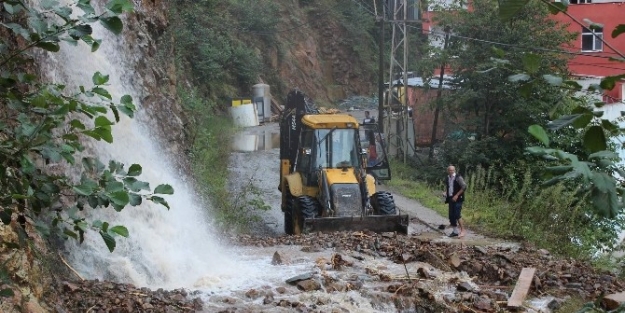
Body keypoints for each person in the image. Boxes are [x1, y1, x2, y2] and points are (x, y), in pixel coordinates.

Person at [443, 165, 467, 238]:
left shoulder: (458, 177)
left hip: (458, 199)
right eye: (450, 170)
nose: (451, 171)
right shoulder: (448, 178)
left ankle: (463, 231)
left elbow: (464, 186)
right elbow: (449, 186)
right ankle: (455, 231)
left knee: (457, 214)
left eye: (452, 170)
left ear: (454, 170)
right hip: (451, 198)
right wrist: (445, 192)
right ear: (448, 171)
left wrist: (456, 195)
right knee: (451, 215)